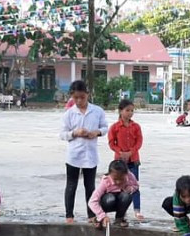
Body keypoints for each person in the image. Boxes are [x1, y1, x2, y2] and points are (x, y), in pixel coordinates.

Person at [60, 80, 108, 224]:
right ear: (72, 97)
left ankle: (91, 215)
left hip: (91, 155)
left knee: (90, 186)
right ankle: (69, 215)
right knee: (71, 185)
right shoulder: (69, 114)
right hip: (74, 155)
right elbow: (62, 134)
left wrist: (96, 132)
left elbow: (105, 128)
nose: (79, 100)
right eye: (76, 98)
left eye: (82, 97)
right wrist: (75, 133)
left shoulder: (97, 111)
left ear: (88, 94)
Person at [108, 99, 144, 220]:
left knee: (134, 185)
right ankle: (121, 211)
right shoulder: (115, 127)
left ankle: (137, 210)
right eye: (127, 110)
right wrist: (120, 152)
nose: (130, 113)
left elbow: (139, 142)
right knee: (119, 185)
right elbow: (111, 143)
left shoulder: (136, 126)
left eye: (132, 111)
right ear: (120, 111)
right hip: (119, 161)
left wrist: (130, 152)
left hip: (133, 159)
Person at [88, 160, 139, 228]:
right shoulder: (106, 181)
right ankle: (99, 219)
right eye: (115, 179)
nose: (118, 182)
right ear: (109, 174)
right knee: (110, 198)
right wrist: (102, 216)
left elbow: (136, 185)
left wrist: (130, 188)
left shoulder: (130, 176)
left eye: (121, 179)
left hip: (120, 202)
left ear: (126, 174)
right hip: (107, 203)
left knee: (126, 196)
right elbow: (92, 201)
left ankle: (119, 219)